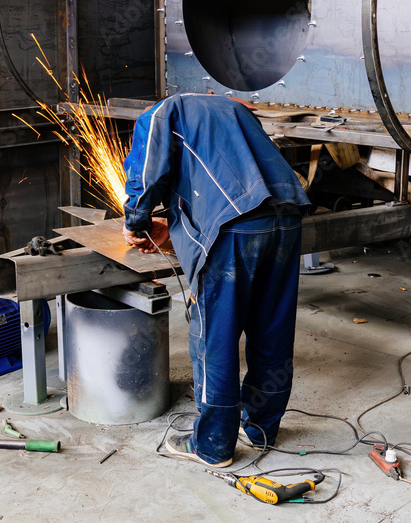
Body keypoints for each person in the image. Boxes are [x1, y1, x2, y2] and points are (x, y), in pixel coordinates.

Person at [122, 93, 311, 467]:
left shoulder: (158, 114)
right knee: (271, 328)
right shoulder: (232, 109)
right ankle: (261, 429)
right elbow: (236, 175)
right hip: (286, 220)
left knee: (215, 338)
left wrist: (135, 222)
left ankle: (213, 446)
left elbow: (145, 176)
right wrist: (175, 225)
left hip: (234, 229)